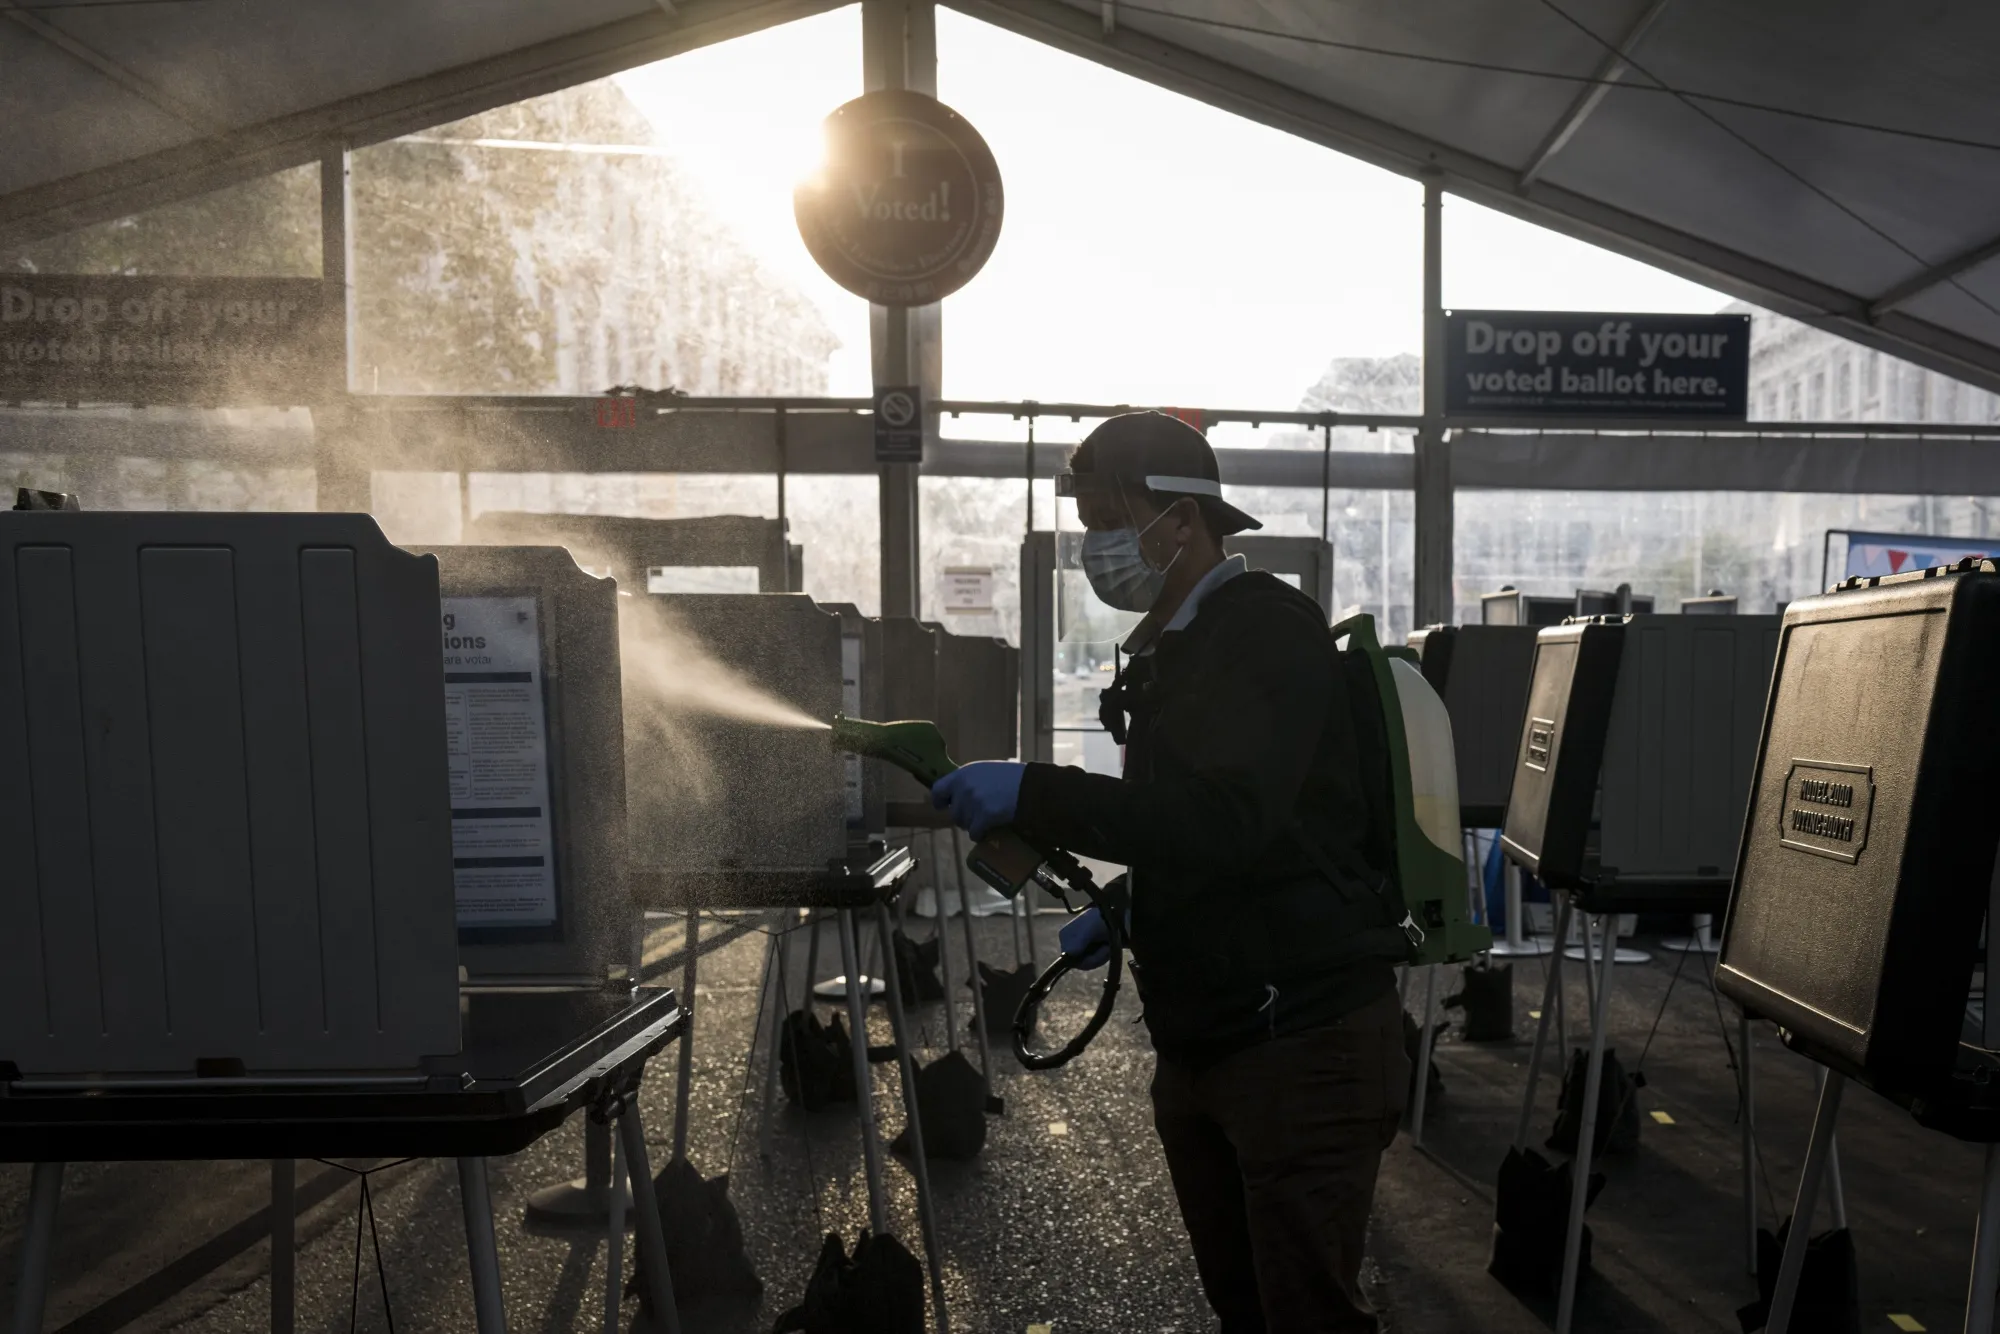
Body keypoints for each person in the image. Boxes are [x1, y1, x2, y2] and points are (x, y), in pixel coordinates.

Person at [930, 411, 1412, 1334]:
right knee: (1247, 1307)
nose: (1094, 549)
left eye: (1112, 522)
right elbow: (1225, 836)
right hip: (1214, 1037)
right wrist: (1129, 905)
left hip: (1299, 1044)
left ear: (1183, 524)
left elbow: (1227, 819)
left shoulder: (1265, 632)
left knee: (1305, 1315)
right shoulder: (1181, 643)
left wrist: (1037, 789)